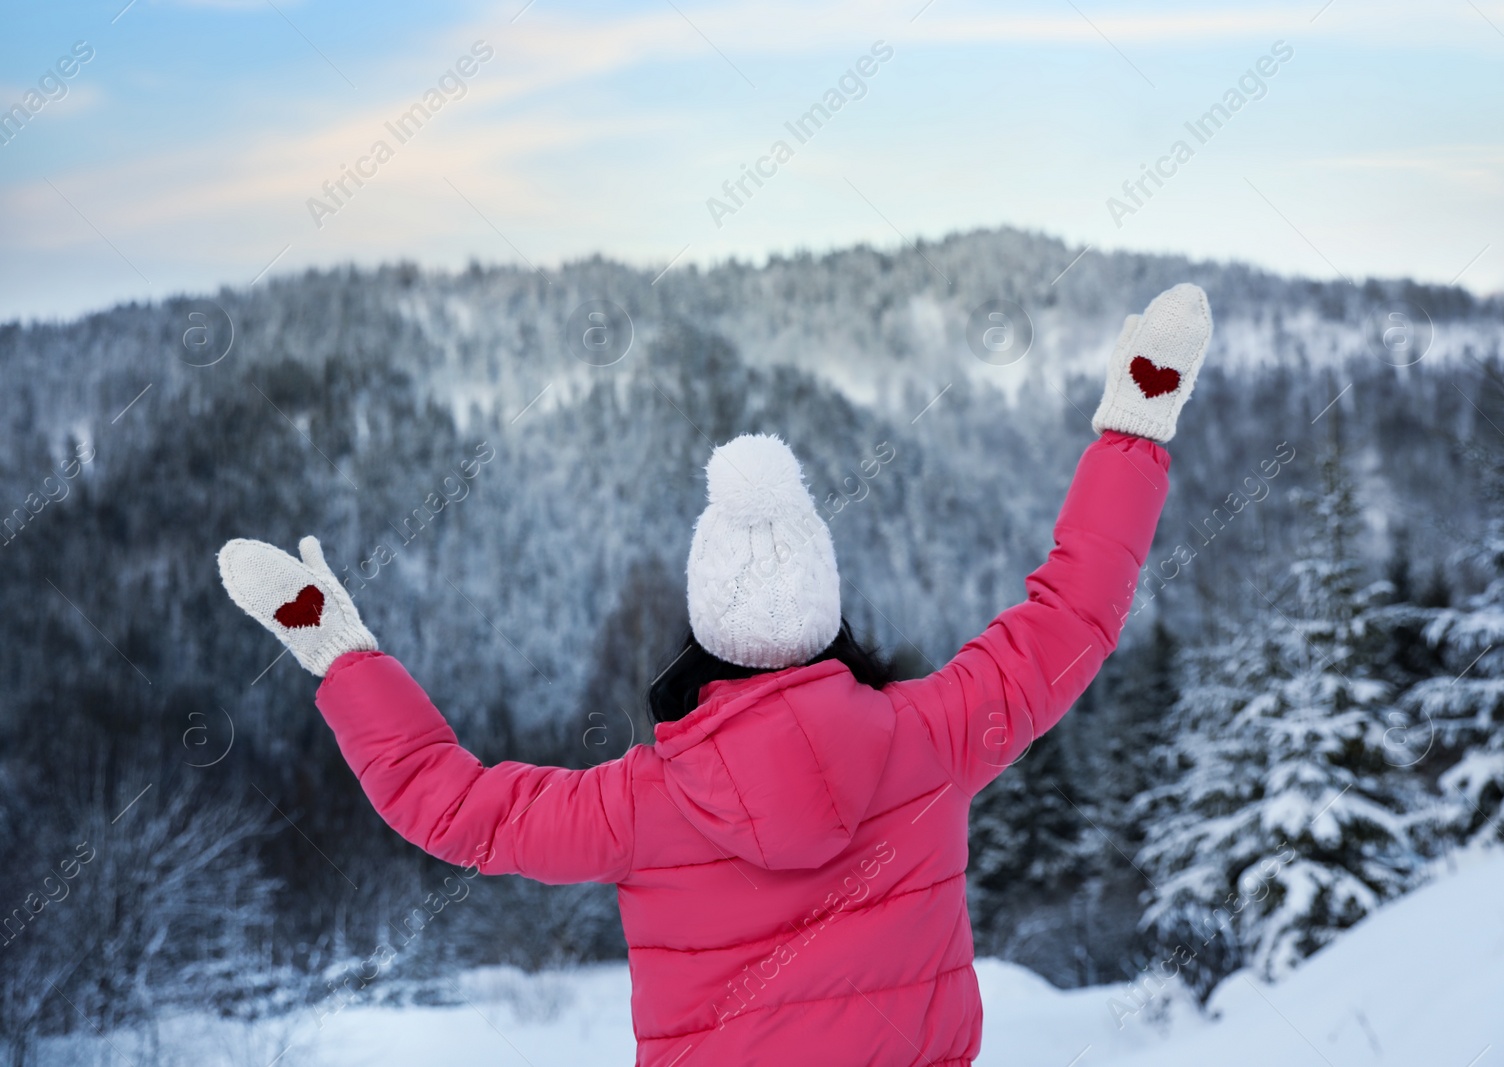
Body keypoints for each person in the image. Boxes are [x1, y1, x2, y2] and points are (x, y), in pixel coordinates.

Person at [217, 283, 1212, 1066]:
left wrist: (343, 655)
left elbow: (454, 805)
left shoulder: (638, 805)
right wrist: (1133, 428)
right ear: (828, 608)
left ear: (702, 626)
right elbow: (1072, 615)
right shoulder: (933, 737)